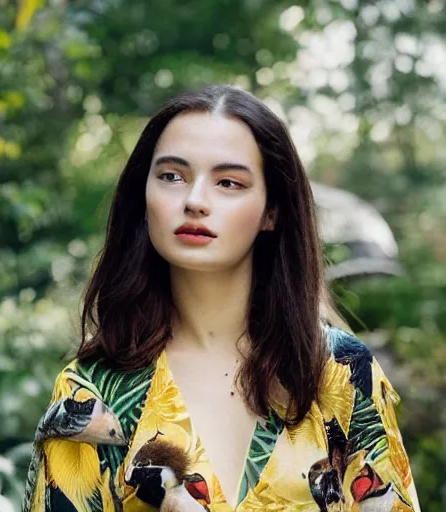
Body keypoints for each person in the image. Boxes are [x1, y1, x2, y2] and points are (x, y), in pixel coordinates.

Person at [22, 84, 421, 512]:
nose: (195, 201)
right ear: (144, 195)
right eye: (171, 176)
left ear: (272, 211)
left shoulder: (340, 373)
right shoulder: (92, 394)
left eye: (229, 182)